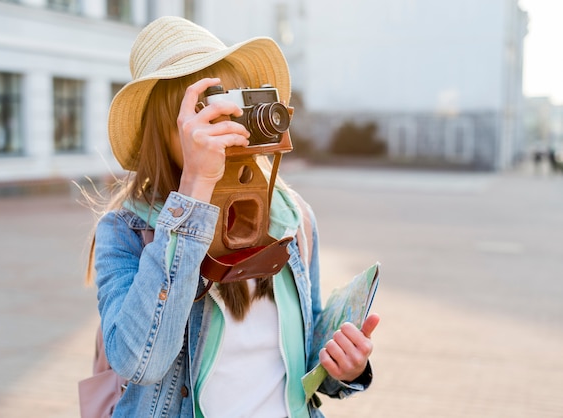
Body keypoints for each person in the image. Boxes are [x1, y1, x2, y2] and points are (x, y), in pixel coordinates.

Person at [87, 16, 380, 417]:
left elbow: (306, 354)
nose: (222, 123)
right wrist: (195, 189)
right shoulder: (127, 231)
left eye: (231, 104)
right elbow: (141, 362)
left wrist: (343, 367)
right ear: (163, 129)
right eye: (204, 111)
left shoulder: (292, 218)